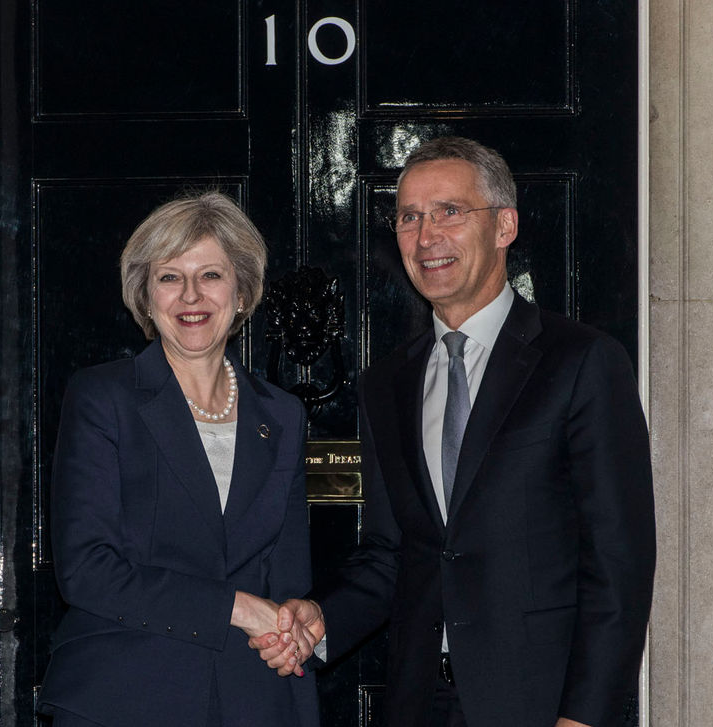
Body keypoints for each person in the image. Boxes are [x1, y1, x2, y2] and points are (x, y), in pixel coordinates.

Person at [254, 137, 656, 727]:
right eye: (409, 217)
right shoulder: (386, 384)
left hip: (541, 706)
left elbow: (619, 561)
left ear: (504, 226)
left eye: (449, 211)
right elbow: (392, 555)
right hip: (420, 704)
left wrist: (585, 717)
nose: (425, 236)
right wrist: (322, 618)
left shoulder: (582, 363)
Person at [37, 192, 320, 726]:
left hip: (254, 699)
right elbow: (86, 570)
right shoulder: (104, 397)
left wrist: (296, 622)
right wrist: (236, 607)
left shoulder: (282, 414)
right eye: (169, 277)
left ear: (241, 293)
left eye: (210, 274)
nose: (191, 295)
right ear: (146, 297)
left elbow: (287, 578)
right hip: (124, 696)